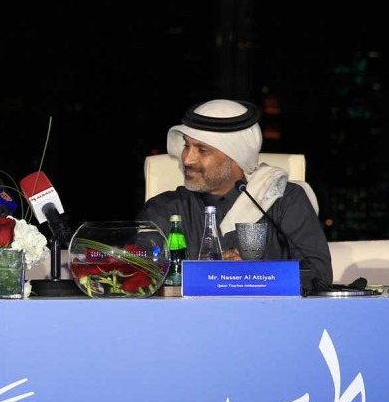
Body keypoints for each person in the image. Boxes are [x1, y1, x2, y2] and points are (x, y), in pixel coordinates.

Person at [138, 99, 333, 288]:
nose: (187, 159)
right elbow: (140, 273)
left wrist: (256, 273)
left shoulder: (283, 200)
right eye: (186, 146)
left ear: (236, 159)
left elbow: (319, 275)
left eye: (202, 150)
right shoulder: (164, 209)